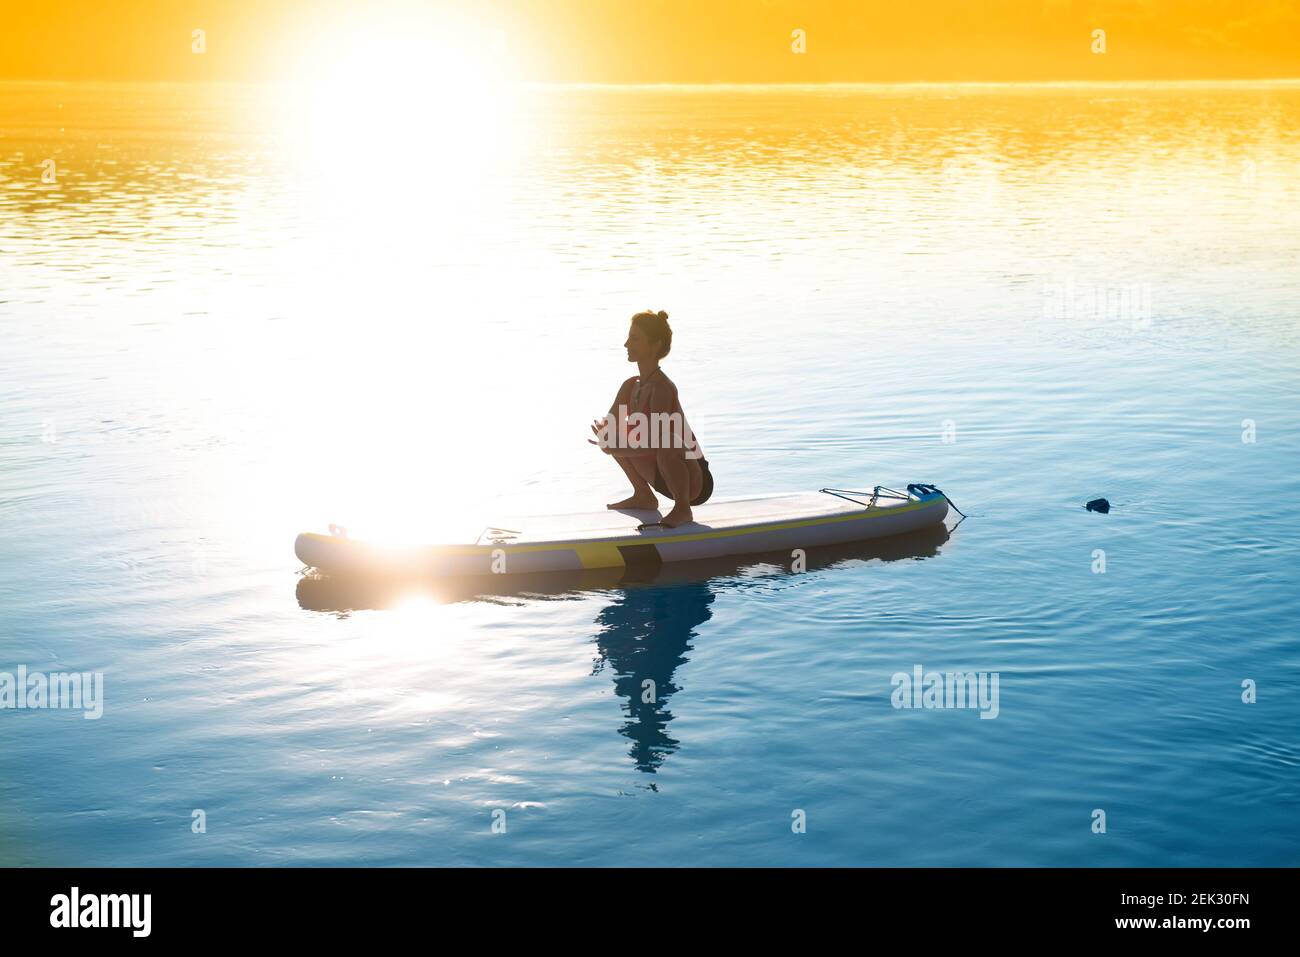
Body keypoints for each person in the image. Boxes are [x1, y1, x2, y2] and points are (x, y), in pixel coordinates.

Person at [590, 310, 713, 527]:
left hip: (694, 481)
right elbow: (611, 422)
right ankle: (643, 495)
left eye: (635, 339)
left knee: (667, 440)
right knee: (613, 437)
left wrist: (617, 448)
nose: (626, 344)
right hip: (659, 473)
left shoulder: (663, 388)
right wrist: (605, 436)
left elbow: (659, 441)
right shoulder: (630, 386)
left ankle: (683, 509)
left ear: (655, 345)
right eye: (629, 338)